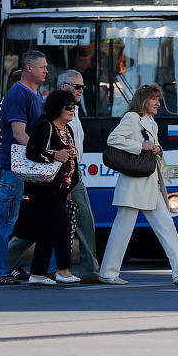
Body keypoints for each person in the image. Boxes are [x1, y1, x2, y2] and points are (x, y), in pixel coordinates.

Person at [99, 83, 178, 285]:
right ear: (144, 100)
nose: (157, 103)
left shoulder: (150, 121)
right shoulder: (132, 118)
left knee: (166, 226)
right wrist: (141, 146)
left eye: (158, 100)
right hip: (134, 184)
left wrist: (156, 149)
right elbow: (113, 139)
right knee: (122, 230)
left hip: (150, 184)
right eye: (154, 99)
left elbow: (152, 147)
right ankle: (108, 273)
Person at [0, 51, 47, 285]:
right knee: (4, 222)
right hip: (13, 168)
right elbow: (18, 133)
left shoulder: (36, 93)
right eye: (42, 66)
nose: (46, 70)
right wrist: (44, 153)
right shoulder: (17, 94)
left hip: (26, 167)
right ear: (29, 68)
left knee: (12, 221)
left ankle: (2, 269)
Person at [23, 90, 81, 285]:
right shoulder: (45, 126)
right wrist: (54, 155)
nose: (72, 110)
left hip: (60, 187)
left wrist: (70, 186)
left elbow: (72, 160)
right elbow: (31, 152)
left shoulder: (68, 130)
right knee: (62, 223)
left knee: (47, 228)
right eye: (68, 107)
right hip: (42, 186)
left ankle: (37, 274)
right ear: (57, 108)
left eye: (74, 107)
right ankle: (63, 271)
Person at [57, 70, 99, 283]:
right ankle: (1, 263)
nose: (82, 90)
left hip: (75, 171)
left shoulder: (74, 110)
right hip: (63, 172)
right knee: (38, 227)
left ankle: (91, 271)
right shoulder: (58, 111)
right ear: (63, 86)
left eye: (83, 86)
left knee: (85, 222)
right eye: (77, 86)